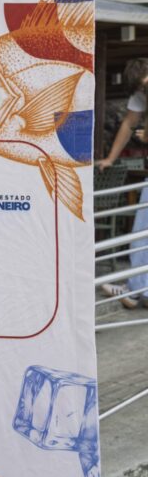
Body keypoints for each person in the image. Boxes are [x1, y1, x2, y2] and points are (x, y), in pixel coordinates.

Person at [98, 58, 148, 309]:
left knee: (142, 230)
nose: (145, 91)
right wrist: (110, 157)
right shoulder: (141, 95)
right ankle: (139, 288)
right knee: (142, 230)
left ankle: (136, 290)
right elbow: (128, 124)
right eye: (142, 88)